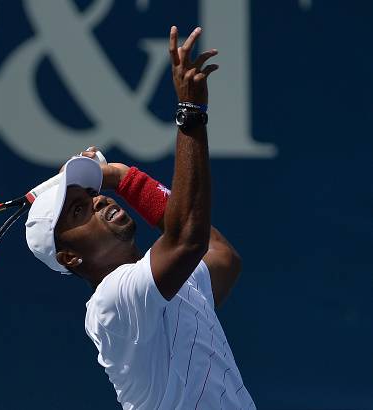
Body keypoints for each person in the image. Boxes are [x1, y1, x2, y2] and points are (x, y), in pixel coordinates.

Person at [25, 25, 255, 409]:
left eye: (94, 196)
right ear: (69, 258)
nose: (98, 203)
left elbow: (221, 256)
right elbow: (188, 239)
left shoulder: (165, 278)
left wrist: (125, 179)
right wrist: (191, 114)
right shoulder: (113, 300)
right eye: (80, 210)